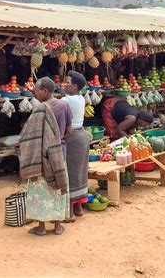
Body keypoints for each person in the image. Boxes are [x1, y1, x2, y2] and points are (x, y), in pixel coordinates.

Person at [19, 79, 70, 236]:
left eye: (37, 91)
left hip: (40, 156)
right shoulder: (64, 105)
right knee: (58, 186)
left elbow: (28, 134)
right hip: (59, 152)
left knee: (41, 190)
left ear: (46, 92)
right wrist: (56, 139)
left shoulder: (39, 109)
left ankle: (41, 227)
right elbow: (69, 130)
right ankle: (58, 227)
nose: (35, 93)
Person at [62, 71, 90, 221]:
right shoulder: (80, 98)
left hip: (72, 138)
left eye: (67, 82)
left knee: (69, 172)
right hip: (82, 137)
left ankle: (70, 212)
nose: (64, 85)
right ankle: (78, 207)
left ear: (74, 86)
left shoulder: (67, 101)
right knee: (80, 171)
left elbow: (51, 103)